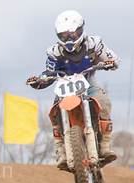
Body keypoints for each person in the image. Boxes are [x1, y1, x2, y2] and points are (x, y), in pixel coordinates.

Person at [27, 10, 119, 168]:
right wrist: (38, 82)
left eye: (72, 33)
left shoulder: (93, 44)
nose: (69, 38)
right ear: (58, 35)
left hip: (88, 82)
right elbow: (49, 72)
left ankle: (104, 146)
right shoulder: (54, 52)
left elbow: (113, 59)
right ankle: (61, 152)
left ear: (81, 29)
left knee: (103, 103)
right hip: (65, 86)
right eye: (64, 35)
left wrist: (109, 62)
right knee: (55, 113)